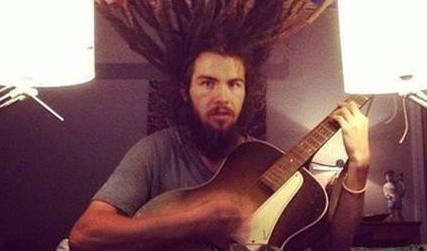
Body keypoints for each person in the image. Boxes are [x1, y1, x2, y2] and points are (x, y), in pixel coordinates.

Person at [69, 48, 370, 250]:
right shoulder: (157, 151)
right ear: (185, 93)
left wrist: (359, 167)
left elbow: (336, 247)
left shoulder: (261, 159)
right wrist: (191, 223)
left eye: (234, 84)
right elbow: (85, 233)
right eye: (208, 83)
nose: (222, 97)